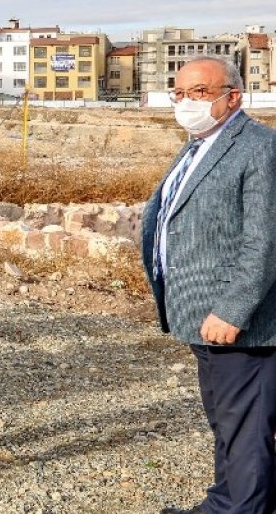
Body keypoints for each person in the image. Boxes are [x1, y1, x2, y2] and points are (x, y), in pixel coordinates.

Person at [139, 57, 276, 514]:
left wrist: (234, 310)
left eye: (199, 93)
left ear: (232, 96)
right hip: (201, 311)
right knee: (225, 419)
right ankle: (225, 502)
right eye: (179, 93)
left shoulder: (258, 148)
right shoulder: (199, 144)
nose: (185, 103)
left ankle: (244, 508)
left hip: (238, 322)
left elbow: (266, 241)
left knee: (246, 425)